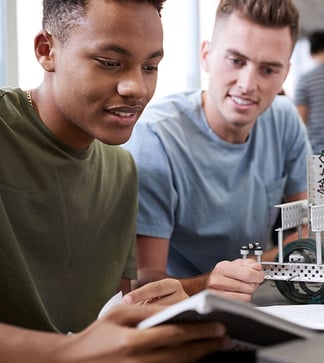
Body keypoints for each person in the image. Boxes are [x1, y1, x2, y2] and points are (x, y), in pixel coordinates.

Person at [0, 0, 231, 361]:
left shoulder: (122, 170)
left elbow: (111, 314)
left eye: (150, 67)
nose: (136, 88)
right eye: (110, 63)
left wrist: (151, 310)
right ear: (47, 51)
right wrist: (67, 352)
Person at [125, 0, 311, 300]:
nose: (248, 84)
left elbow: (308, 232)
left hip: (262, 299)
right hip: (184, 312)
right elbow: (146, 289)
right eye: (236, 61)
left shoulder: (285, 119)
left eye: (268, 69)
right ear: (206, 55)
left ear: (285, 74)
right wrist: (211, 283)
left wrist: (251, 271)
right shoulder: (156, 137)